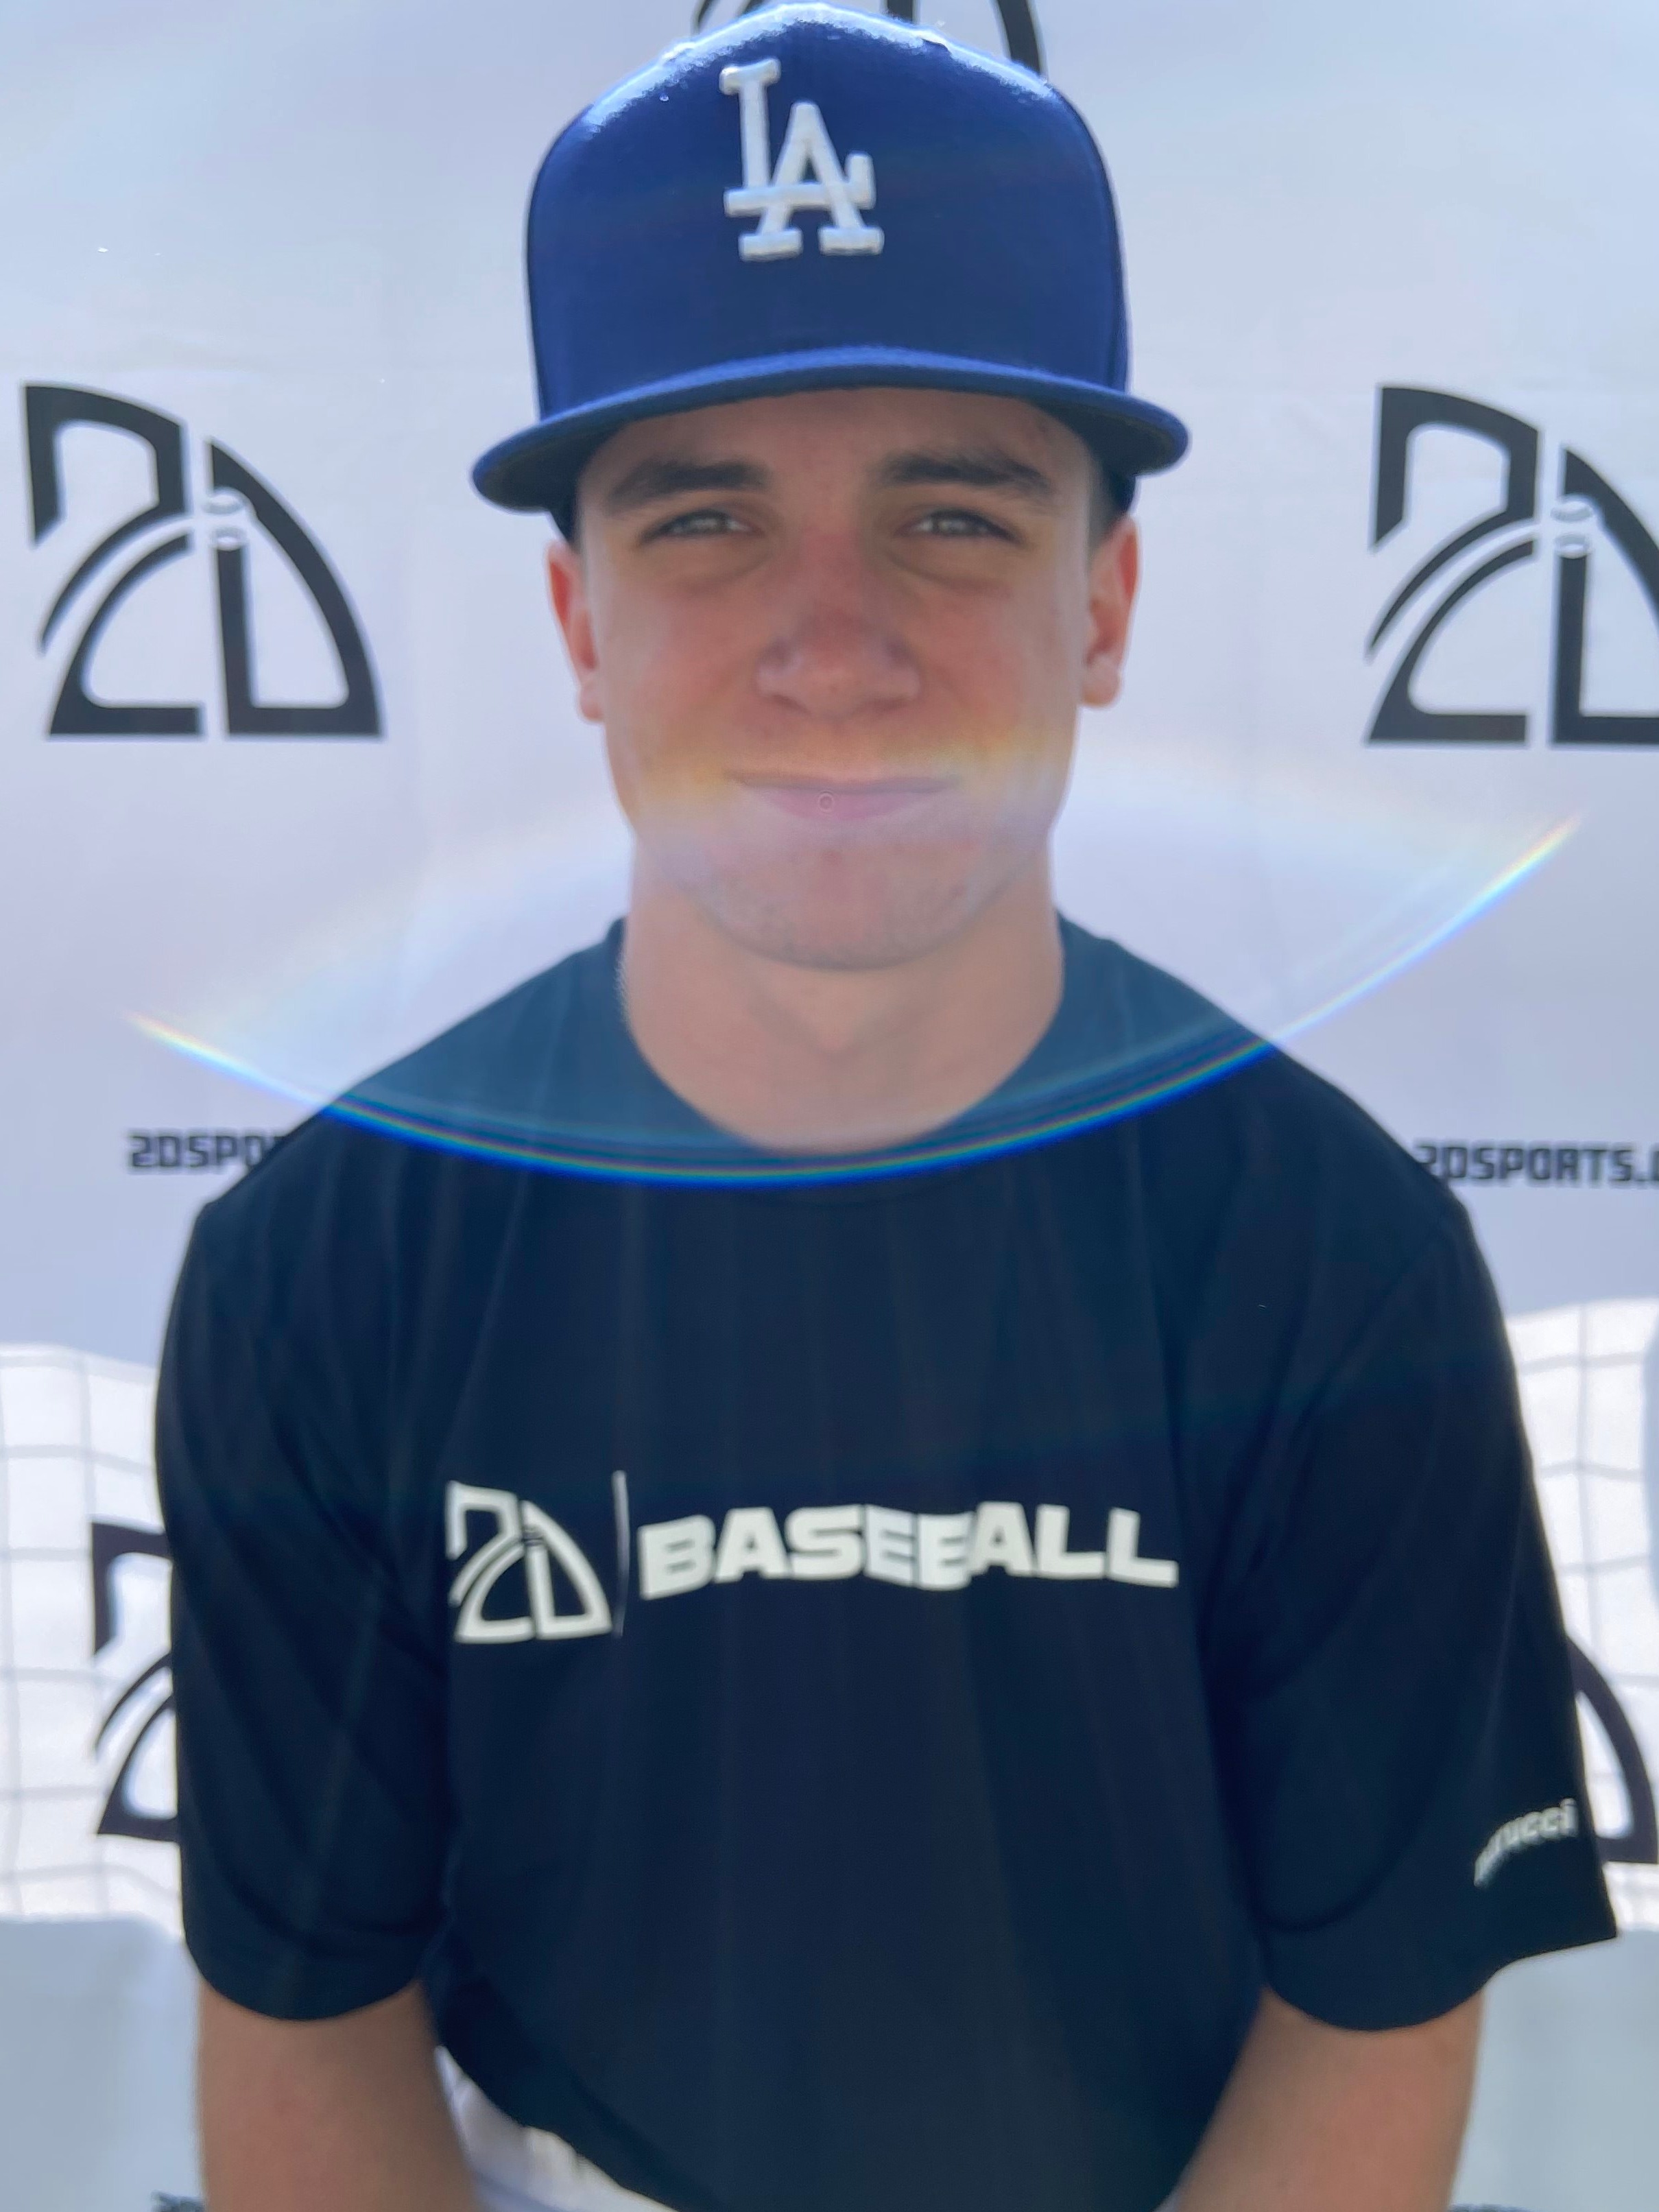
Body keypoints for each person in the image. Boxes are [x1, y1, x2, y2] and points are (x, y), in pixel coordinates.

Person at [156, 11, 1615, 2212]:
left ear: (1099, 599)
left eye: (948, 516)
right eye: (704, 519)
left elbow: (1376, 2015)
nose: (831, 648)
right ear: (576, 619)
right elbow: (303, 2020)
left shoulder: (1337, 1261)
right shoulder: (325, 1264)